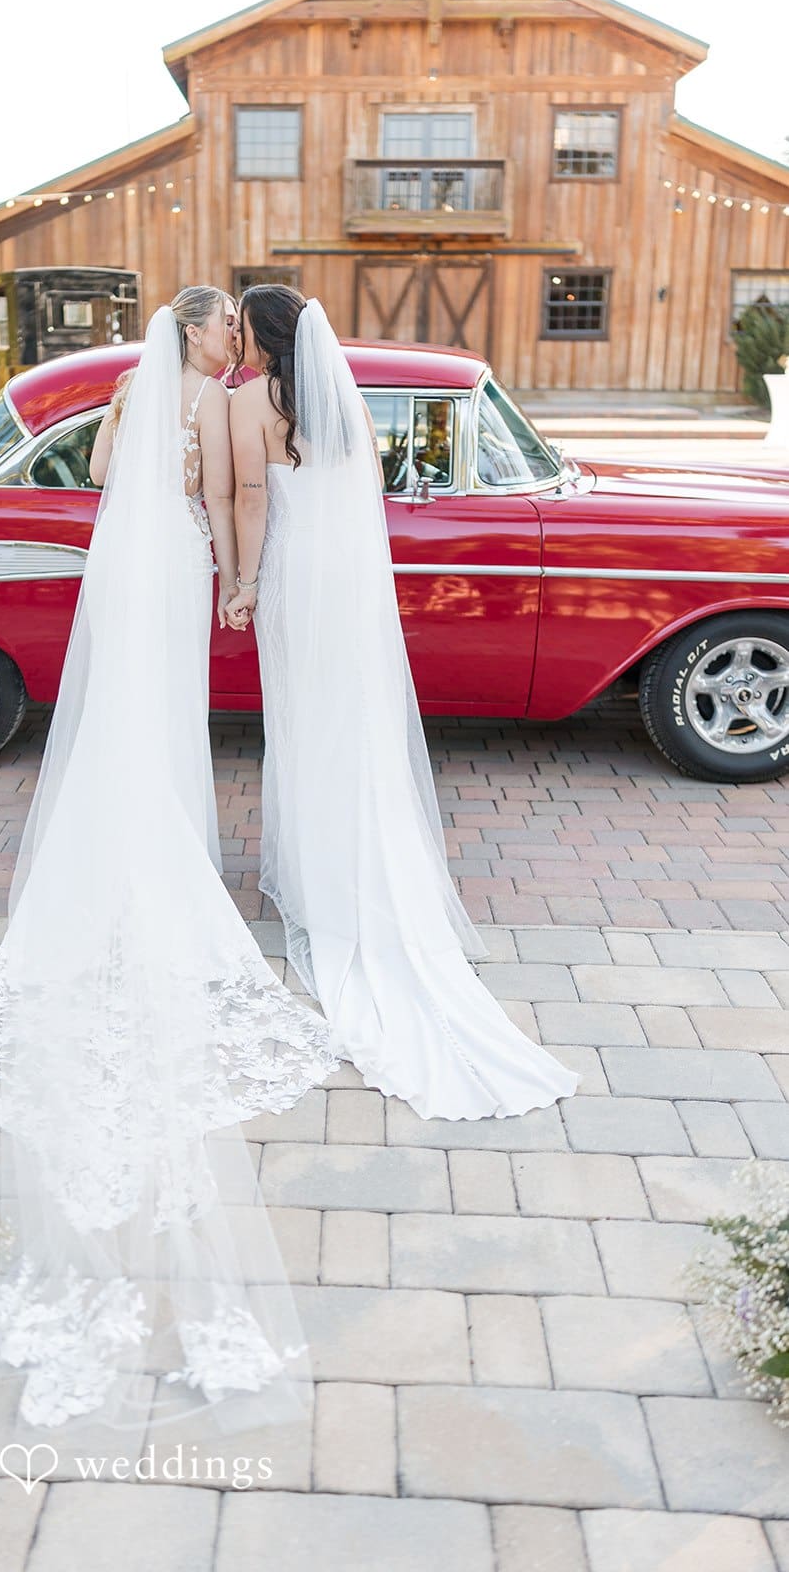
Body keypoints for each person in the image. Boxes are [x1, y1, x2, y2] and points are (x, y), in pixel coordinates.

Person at [0, 286, 336, 1435]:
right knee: (161, 721)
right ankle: (161, 848)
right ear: (198, 333)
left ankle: (114, 841)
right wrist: (230, 567)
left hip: (122, 568)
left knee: (118, 717)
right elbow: (212, 490)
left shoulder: (128, 395)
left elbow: (107, 479)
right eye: (213, 328)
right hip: (169, 573)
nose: (220, 342)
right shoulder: (206, 395)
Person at [225, 286, 579, 1122]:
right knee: (350, 725)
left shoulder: (253, 402)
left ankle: (315, 874)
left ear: (266, 338)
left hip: (289, 579)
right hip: (343, 583)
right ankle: (360, 859)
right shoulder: (338, 407)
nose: (233, 337)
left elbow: (249, 497)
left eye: (240, 326)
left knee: (303, 725)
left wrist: (240, 583)